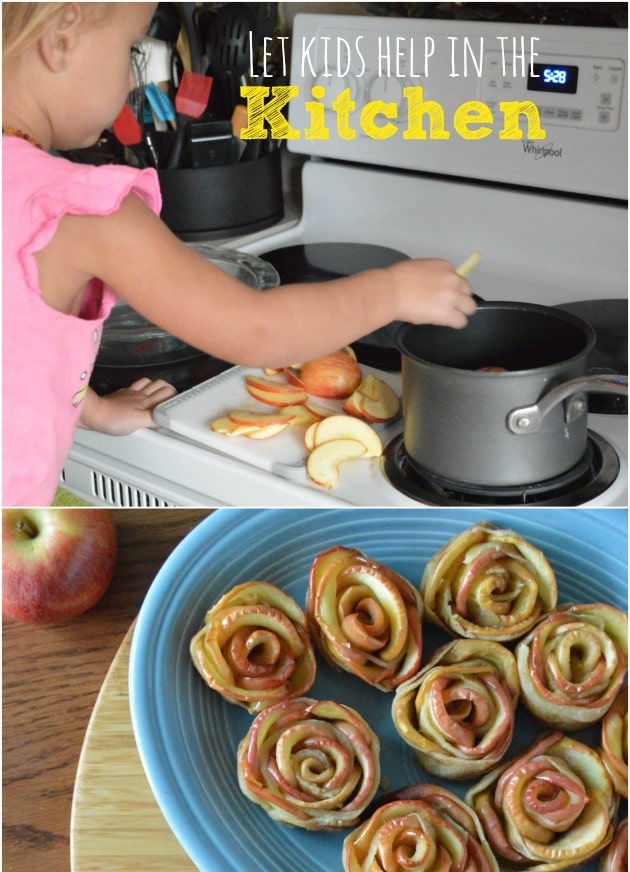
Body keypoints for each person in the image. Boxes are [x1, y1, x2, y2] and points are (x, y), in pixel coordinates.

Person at [2, 2, 477, 506]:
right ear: (60, 39)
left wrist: (89, 409)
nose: (129, 80)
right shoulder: (84, 210)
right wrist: (394, 291)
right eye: (131, 49)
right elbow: (257, 329)